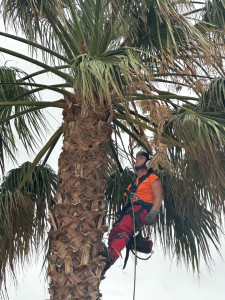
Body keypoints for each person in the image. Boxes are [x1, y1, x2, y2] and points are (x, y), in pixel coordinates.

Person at [102, 150, 162, 275]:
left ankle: (111, 256)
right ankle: (103, 264)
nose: (137, 160)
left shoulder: (152, 178)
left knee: (124, 228)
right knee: (114, 232)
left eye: (140, 158)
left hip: (142, 210)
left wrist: (153, 212)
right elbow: (127, 202)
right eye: (136, 158)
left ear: (148, 162)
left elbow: (158, 196)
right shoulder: (133, 185)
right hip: (130, 211)